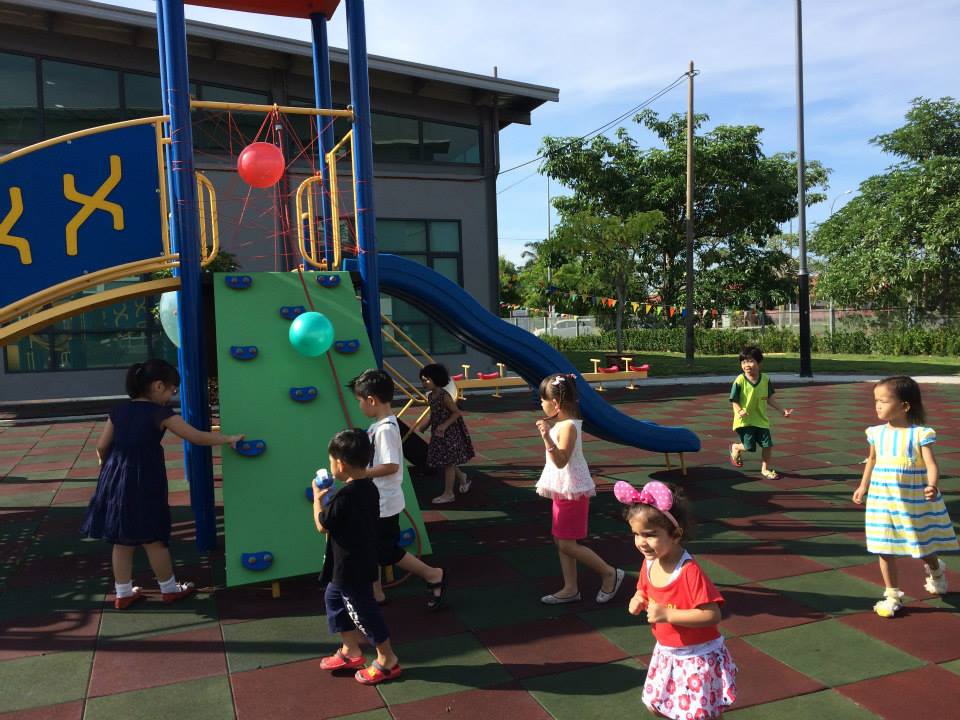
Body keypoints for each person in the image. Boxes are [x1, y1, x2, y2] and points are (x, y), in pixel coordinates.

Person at [80, 359, 243, 609]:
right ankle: (168, 588)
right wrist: (228, 438)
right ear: (158, 386)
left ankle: (123, 592)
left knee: (121, 539)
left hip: (114, 477)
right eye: (172, 390)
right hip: (144, 477)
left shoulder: (118, 411)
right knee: (154, 537)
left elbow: (102, 446)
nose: (171, 396)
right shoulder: (160, 413)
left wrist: (106, 465)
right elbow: (196, 437)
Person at [617, 480, 737, 719]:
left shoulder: (688, 571)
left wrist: (668, 614)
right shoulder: (650, 562)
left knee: (700, 714)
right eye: (636, 534)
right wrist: (638, 598)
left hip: (697, 655)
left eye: (650, 535)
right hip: (667, 651)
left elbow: (712, 614)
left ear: (676, 535)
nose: (641, 542)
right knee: (657, 705)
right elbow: (643, 589)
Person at [852, 376, 957, 617]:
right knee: (883, 546)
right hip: (882, 499)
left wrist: (932, 485)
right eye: (875, 400)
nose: (877, 405)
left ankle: (936, 568)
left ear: (905, 406)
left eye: (883, 401)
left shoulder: (920, 434)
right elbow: (873, 460)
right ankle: (892, 595)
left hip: (912, 501)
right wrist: (863, 485)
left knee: (921, 545)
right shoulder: (875, 433)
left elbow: (931, 464)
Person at [348, 369, 448, 609]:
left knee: (385, 551)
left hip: (384, 501)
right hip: (377, 499)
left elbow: (391, 465)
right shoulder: (380, 425)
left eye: (360, 401)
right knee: (371, 546)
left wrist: (361, 474)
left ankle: (433, 574)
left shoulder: (385, 429)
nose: (359, 406)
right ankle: (376, 592)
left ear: (371, 400)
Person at [313, 429, 401, 685]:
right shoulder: (369, 488)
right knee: (333, 598)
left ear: (340, 464)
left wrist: (317, 499)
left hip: (352, 567)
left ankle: (388, 658)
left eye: (331, 461)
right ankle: (351, 650)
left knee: (363, 612)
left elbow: (322, 525)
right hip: (355, 561)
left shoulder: (344, 496)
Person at [535, 373, 624, 605]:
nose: (540, 404)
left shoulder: (568, 427)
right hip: (564, 489)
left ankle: (609, 573)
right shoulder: (562, 425)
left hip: (572, 490)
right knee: (562, 540)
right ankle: (570, 588)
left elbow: (561, 461)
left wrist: (546, 437)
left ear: (555, 403)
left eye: (542, 400)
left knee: (566, 542)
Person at [728, 346, 793, 479]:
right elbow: (734, 400)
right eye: (743, 362)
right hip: (745, 421)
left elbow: (770, 399)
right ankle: (736, 447)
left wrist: (782, 410)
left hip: (761, 419)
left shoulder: (765, 379)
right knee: (749, 447)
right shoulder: (740, 380)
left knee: (767, 445)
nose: (746, 365)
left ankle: (765, 469)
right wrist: (739, 410)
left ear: (759, 363)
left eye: (750, 361)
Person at [414, 362, 475, 504]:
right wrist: (425, 425)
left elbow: (456, 413)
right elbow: (434, 413)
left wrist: (444, 425)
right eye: (422, 380)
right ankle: (462, 477)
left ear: (436, 379)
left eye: (427, 380)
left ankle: (449, 494)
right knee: (447, 460)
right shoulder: (430, 396)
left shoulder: (444, 396)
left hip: (450, 433)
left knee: (448, 462)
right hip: (439, 433)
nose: (424, 383)